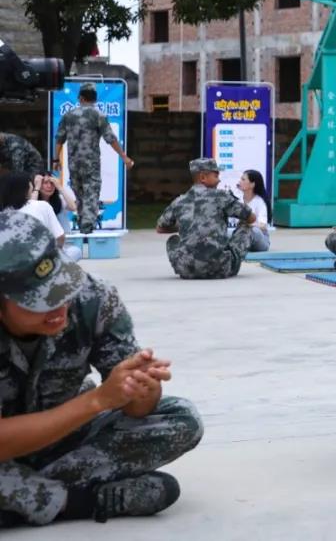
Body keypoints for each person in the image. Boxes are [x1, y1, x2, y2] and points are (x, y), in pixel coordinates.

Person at [0, 211, 203, 527]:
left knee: (180, 418)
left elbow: (137, 409)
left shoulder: (94, 298)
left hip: (64, 438)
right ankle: (77, 500)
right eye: (38, 301)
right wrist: (97, 401)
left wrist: (142, 388)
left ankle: (21, 497)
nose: (58, 307)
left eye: (61, 288)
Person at [53, 82, 135, 234]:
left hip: (74, 162)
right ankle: (87, 225)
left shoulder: (68, 116)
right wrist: (124, 157)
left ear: (81, 98)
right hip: (91, 162)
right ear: (94, 99)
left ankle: (82, 220)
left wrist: (55, 160)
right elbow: (111, 139)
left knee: (79, 192)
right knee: (91, 192)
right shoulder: (99, 115)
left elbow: (59, 140)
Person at [155, 158, 255, 279]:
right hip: (221, 269)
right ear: (203, 177)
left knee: (173, 240)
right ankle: (224, 259)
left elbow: (160, 228)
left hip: (187, 270)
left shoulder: (180, 201)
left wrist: (186, 226)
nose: (219, 179)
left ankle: (187, 263)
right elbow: (251, 218)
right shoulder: (221, 196)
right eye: (216, 175)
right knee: (246, 229)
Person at [0, 173, 78, 261]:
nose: (49, 186)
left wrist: (59, 187)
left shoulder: (58, 200)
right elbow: (28, 211)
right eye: (45, 183)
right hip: (41, 254)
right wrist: (37, 187)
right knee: (75, 251)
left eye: (52, 183)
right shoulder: (39, 204)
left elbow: (73, 207)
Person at [237, 169, 272, 253]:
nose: (239, 181)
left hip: (260, 239)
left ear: (252, 184)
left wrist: (247, 225)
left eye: (243, 179)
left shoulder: (260, 201)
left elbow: (263, 225)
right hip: (241, 235)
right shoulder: (237, 199)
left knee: (254, 231)